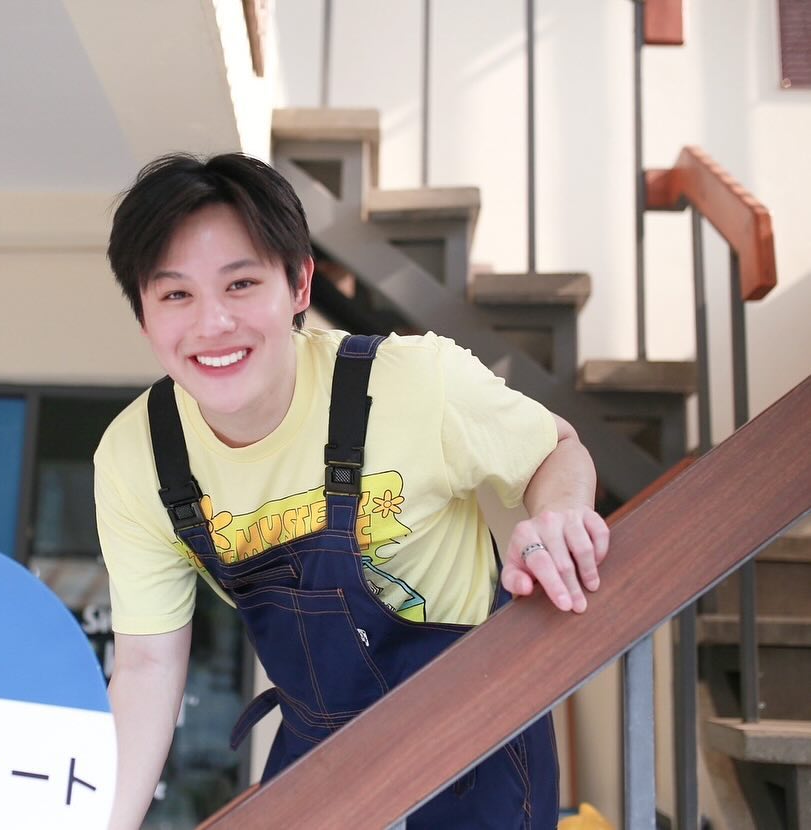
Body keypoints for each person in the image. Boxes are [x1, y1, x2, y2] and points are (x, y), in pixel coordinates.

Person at [95, 152, 610, 829]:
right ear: (143, 316)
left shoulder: (414, 381)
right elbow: (145, 667)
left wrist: (560, 513)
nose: (212, 323)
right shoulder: (138, 457)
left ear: (299, 284)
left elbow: (555, 450)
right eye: (175, 295)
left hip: (477, 736)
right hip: (322, 754)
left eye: (241, 283)